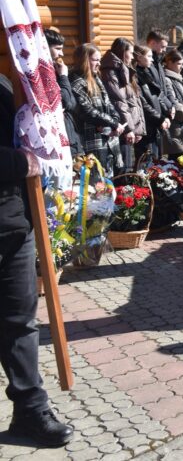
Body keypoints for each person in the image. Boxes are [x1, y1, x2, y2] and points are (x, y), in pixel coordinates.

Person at [0, 74, 75, 448]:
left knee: (20, 323)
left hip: (13, 224)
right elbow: (20, 156)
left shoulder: (6, 82)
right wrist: (20, 162)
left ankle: (30, 411)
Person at [69, 44, 124, 174]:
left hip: (109, 140)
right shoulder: (76, 83)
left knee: (110, 184)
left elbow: (108, 104)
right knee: (98, 185)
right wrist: (113, 123)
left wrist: (115, 120)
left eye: (100, 60)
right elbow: (88, 112)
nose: (99, 63)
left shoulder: (96, 78)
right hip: (92, 142)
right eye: (95, 60)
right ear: (84, 60)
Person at [100, 37, 145, 175]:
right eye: (130, 53)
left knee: (128, 167)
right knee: (122, 169)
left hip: (128, 127)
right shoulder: (111, 71)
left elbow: (134, 102)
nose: (132, 57)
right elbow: (119, 101)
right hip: (121, 129)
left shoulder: (125, 70)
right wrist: (129, 129)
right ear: (122, 52)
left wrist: (137, 129)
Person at [43, 29, 82, 158]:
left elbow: (71, 103)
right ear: (44, 46)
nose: (61, 53)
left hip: (69, 133)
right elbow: (66, 101)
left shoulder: (55, 69)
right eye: (58, 48)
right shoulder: (44, 73)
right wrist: (64, 77)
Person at [133, 44, 170, 162]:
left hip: (155, 125)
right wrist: (160, 118)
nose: (152, 59)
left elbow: (157, 95)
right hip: (146, 126)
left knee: (156, 162)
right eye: (149, 56)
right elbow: (143, 103)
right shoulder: (135, 76)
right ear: (139, 58)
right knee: (147, 163)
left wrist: (166, 114)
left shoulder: (147, 73)